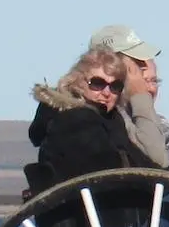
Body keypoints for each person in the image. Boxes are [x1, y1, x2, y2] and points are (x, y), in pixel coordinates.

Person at [87, 24, 169, 176]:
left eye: (154, 81)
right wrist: (140, 96)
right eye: (135, 69)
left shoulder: (158, 123)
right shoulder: (104, 121)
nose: (150, 88)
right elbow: (157, 164)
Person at [27, 49, 144, 181]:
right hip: (84, 198)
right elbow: (105, 167)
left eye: (115, 86)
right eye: (98, 83)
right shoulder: (74, 120)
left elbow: (141, 163)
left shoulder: (113, 121)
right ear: (78, 82)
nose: (107, 93)